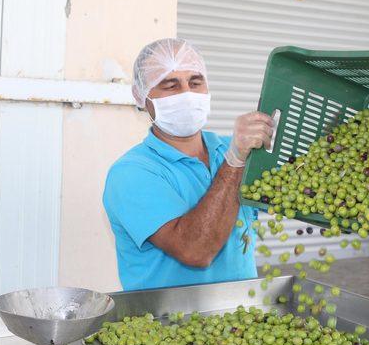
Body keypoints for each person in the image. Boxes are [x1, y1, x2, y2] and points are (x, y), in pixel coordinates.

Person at [103, 38, 274, 291]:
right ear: (142, 97)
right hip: (168, 324)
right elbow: (196, 251)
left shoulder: (229, 149)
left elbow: (299, 195)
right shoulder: (131, 173)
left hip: (242, 321)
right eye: (170, 86)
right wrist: (236, 160)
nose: (187, 94)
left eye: (195, 82)